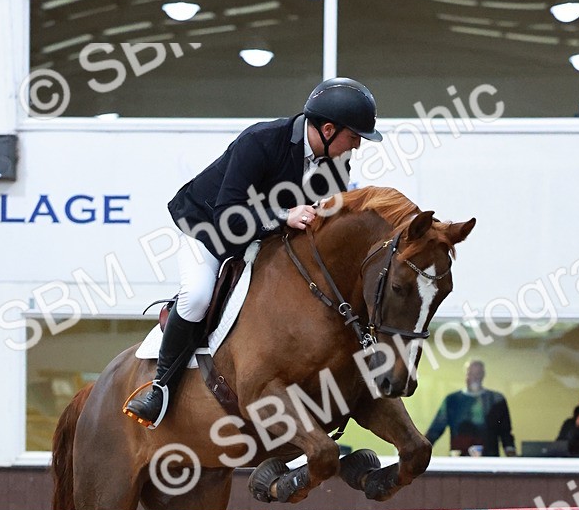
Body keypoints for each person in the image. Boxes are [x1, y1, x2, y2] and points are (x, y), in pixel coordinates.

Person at [124, 77, 382, 428]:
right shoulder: (260, 141)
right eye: (354, 137)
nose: (357, 146)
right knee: (198, 296)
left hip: (267, 236)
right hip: (210, 228)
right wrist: (284, 215)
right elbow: (228, 212)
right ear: (327, 129)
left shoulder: (336, 163)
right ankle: (160, 388)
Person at [425, 360, 516, 457]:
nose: (475, 377)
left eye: (478, 374)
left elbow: (506, 433)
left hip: (489, 462)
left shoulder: (497, 400)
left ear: (483, 375)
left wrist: (513, 461)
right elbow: (435, 430)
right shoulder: (452, 400)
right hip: (459, 462)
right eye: (471, 373)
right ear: (465, 374)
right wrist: (420, 452)